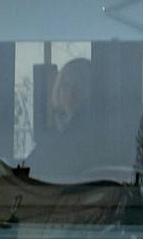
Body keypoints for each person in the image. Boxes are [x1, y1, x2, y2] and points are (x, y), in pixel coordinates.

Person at [26, 55, 100, 186]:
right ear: (58, 89)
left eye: (79, 86)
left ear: (91, 91)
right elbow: (30, 168)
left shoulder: (94, 134)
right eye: (66, 85)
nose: (71, 92)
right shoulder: (54, 132)